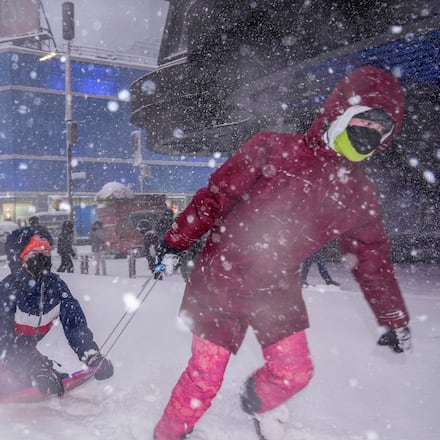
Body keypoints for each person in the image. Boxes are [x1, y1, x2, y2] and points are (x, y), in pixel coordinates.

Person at [152, 66, 412, 440]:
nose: (369, 133)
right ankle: (168, 435)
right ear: (340, 114)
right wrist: (175, 242)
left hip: (277, 287)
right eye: (364, 121)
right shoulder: (272, 148)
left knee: (295, 372)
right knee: (204, 377)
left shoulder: (359, 193)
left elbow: (373, 258)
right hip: (220, 278)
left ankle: (256, 400)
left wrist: (392, 317)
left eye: (380, 129)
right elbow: (215, 198)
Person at [0, 226, 113, 400]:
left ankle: (11, 372)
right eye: (35, 253)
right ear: (20, 259)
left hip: (20, 346)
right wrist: (33, 365)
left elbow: (75, 325)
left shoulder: (56, 288)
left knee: (40, 378)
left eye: (46, 252)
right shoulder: (9, 289)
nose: (43, 258)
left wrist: (90, 354)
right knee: (10, 387)